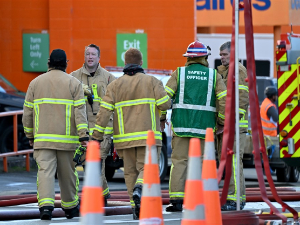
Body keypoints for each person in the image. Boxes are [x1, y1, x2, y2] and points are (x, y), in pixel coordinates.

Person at [92, 48, 171, 219]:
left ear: (125, 63)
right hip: (148, 138)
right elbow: (165, 104)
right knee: (147, 168)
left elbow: (103, 113)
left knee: (129, 173)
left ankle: (136, 207)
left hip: (124, 140)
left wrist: (96, 136)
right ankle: (140, 189)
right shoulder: (152, 81)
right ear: (141, 62)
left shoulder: (114, 86)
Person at [22, 49, 89, 220]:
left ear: (48, 62)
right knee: (68, 174)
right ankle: (71, 208)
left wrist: (30, 136)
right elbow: (80, 113)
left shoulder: (35, 83)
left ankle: (46, 207)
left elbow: (27, 114)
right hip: (66, 141)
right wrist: (83, 137)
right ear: (66, 64)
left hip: (43, 140)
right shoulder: (74, 84)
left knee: (45, 173)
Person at [160, 41, 227, 212]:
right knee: (205, 163)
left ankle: (176, 200)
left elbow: (164, 98)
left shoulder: (179, 73)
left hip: (181, 126)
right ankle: (204, 199)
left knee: (179, 162)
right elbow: (223, 101)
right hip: (205, 128)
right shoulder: (213, 75)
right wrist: (220, 122)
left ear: (188, 57)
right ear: (205, 57)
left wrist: (162, 118)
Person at [71, 44, 116, 204]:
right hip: (82, 131)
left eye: (93, 54)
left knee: (95, 162)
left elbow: (116, 106)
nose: (90, 57)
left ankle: (100, 197)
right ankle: (103, 194)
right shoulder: (74, 77)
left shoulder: (109, 78)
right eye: (87, 54)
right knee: (89, 163)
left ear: (99, 57)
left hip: (103, 131)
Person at [216, 41, 249, 210]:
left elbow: (242, 99)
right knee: (233, 162)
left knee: (234, 162)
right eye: (220, 55)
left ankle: (234, 200)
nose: (221, 58)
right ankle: (238, 198)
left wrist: (231, 121)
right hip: (230, 125)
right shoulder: (226, 71)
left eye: (224, 55)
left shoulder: (238, 70)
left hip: (235, 125)